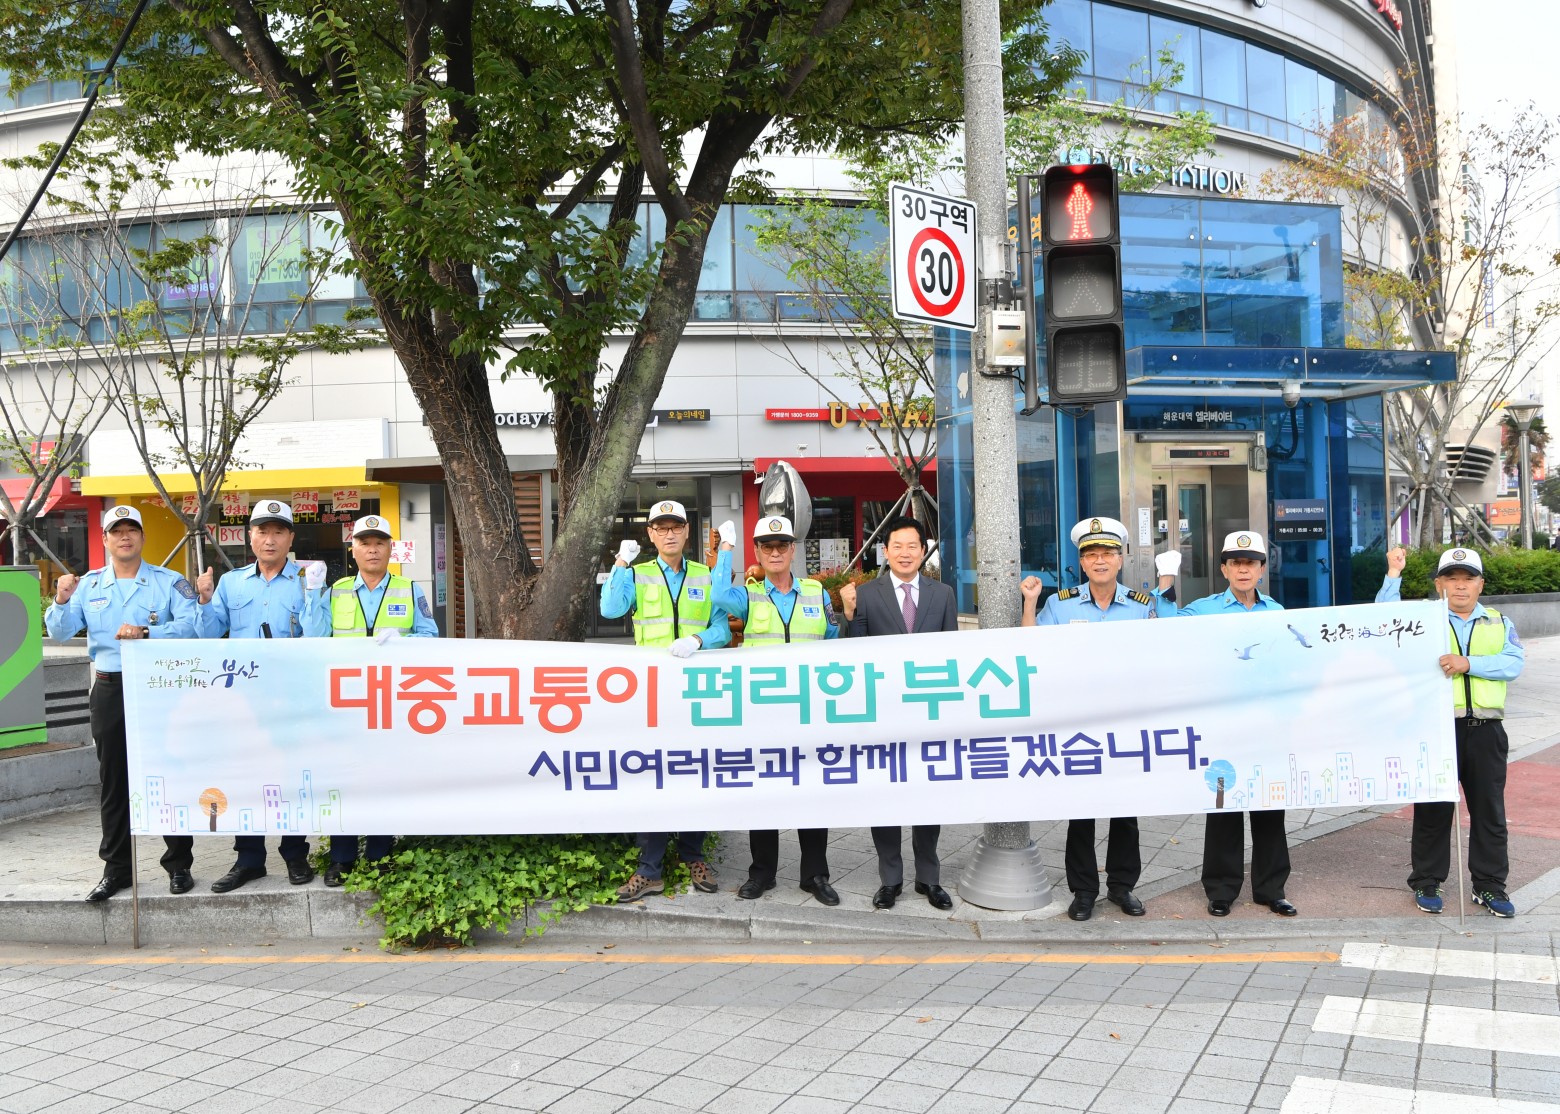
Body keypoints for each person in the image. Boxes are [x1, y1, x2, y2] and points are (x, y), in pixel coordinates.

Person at [44, 505, 199, 901]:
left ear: (142, 537)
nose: (125, 536)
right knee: (114, 781)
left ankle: (179, 865)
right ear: (105, 539)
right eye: (117, 531)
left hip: (159, 687)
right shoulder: (88, 585)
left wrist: (147, 632)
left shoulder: (169, 582)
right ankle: (117, 870)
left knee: (168, 774)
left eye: (132, 530)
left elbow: (191, 627)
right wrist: (61, 599)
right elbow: (60, 633)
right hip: (110, 688)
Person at [1022, 516, 1172, 922]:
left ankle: (1122, 887)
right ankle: (1084, 891)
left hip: (1126, 722)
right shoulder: (1060, 604)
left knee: (1125, 811)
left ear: (1120, 560)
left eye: (1107, 553)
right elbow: (1031, 649)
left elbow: (1160, 658)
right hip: (1080, 723)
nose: (1100, 560)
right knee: (1082, 811)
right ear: (1082, 563)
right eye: (1092, 555)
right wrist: (1031, 603)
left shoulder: (1143, 607)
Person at [1155, 529, 1298, 919]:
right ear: (1224, 569)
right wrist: (1166, 581)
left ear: (1262, 569)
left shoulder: (1277, 612)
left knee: (1270, 807)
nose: (1243, 569)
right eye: (1236, 563)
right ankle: (1221, 890)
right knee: (1222, 807)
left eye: (1251, 563)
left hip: (1267, 725)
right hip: (1222, 726)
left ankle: (1271, 889)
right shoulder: (1205, 610)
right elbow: (1166, 629)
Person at [1376, 546, 1524, 917]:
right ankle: (1427, 881)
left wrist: (1467, 663)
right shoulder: (1425, 620)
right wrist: (1393, 574)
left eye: (1467, 579)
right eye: (1451, 579)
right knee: (1433, 809)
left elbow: (1512, 664)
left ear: (1480, 584)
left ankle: (1489, 886)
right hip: (1437, 730)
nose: (1460, 586)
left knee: (1489, 812)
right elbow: (1385, 619)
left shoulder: (1498, 622)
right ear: (1439, 584)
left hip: (1486, 731)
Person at [600, 498, 733, 902]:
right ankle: (650, 869)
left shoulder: (705, 575)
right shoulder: (637, 574)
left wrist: (698, 640)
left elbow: (722, 628)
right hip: (652, 694)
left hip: (696, 692)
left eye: (676, 526)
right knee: (653, 777)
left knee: (695, 774)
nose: (670, 533)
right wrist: (620, 563)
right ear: (651, 534)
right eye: (661, 527)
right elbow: (610, 609)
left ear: (687, 531)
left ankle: (694, 857)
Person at [303, 514, 437, 885]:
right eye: (365, 543)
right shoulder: (337, 590)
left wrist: (403, 640)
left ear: (391, 549)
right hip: (345, 700)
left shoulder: (409, 589)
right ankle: (342, 858)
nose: (372, 549)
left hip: (391, 700)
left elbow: (431, 636)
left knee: (384, 776)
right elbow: (314, 638)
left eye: (379, 543)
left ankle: (380, 854)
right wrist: (312, 593)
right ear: (353, 549)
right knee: (343, 776)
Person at [713, 515, 842, 905]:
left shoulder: (816, 593)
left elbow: (834, 640)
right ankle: (762, 874)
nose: (774, 552)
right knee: (764, 794)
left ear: (792, 550)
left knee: (811, 793)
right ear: (757, 551)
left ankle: (815, 875)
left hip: (809, 711)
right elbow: (718, 594)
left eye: (781, 545)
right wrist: (726, 549)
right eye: (767, 546)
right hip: (763, 713)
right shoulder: (747, 595)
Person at [194, 500, 316, 892]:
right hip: (242, 699)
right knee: (245, 775)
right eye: (263, 531)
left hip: (290, 695)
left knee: (291, 775)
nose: (270, 540)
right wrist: (204, 600)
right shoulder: (232, 583)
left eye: (279, 532)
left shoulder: (307, 581)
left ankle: (295, 854)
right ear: (251, 537)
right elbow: (209, 633)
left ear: (291, 538)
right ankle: (249, 859)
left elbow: (319, 634)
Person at [840, 515, 958, 911]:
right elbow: (853, 655)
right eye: (897, 547)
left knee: (928, 796)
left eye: (912, 546)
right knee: (885, 797)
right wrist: (849, 615)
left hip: (928, 714)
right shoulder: (866, 594)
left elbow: (953, 654)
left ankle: (929, 878)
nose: (905, 553)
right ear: (885, 552)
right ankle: (889, 880)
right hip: (883, 715)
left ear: (923, 551)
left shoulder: (943, 594)